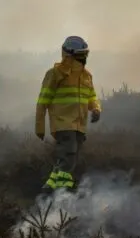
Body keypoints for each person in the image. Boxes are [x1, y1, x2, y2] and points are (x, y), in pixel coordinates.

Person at [35, 35, 102, 192]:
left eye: (85, 54)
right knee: (70, 152)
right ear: (68, 55)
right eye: (80, 55)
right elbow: (42, 101)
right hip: (62, 122)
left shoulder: (86, 76)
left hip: (80, 123)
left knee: (69, 155)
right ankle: (63, 189)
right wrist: (39, 127)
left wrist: (97, 108)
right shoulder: (55, 74)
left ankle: (50, 185)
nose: (83, 58)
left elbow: (91, 96)